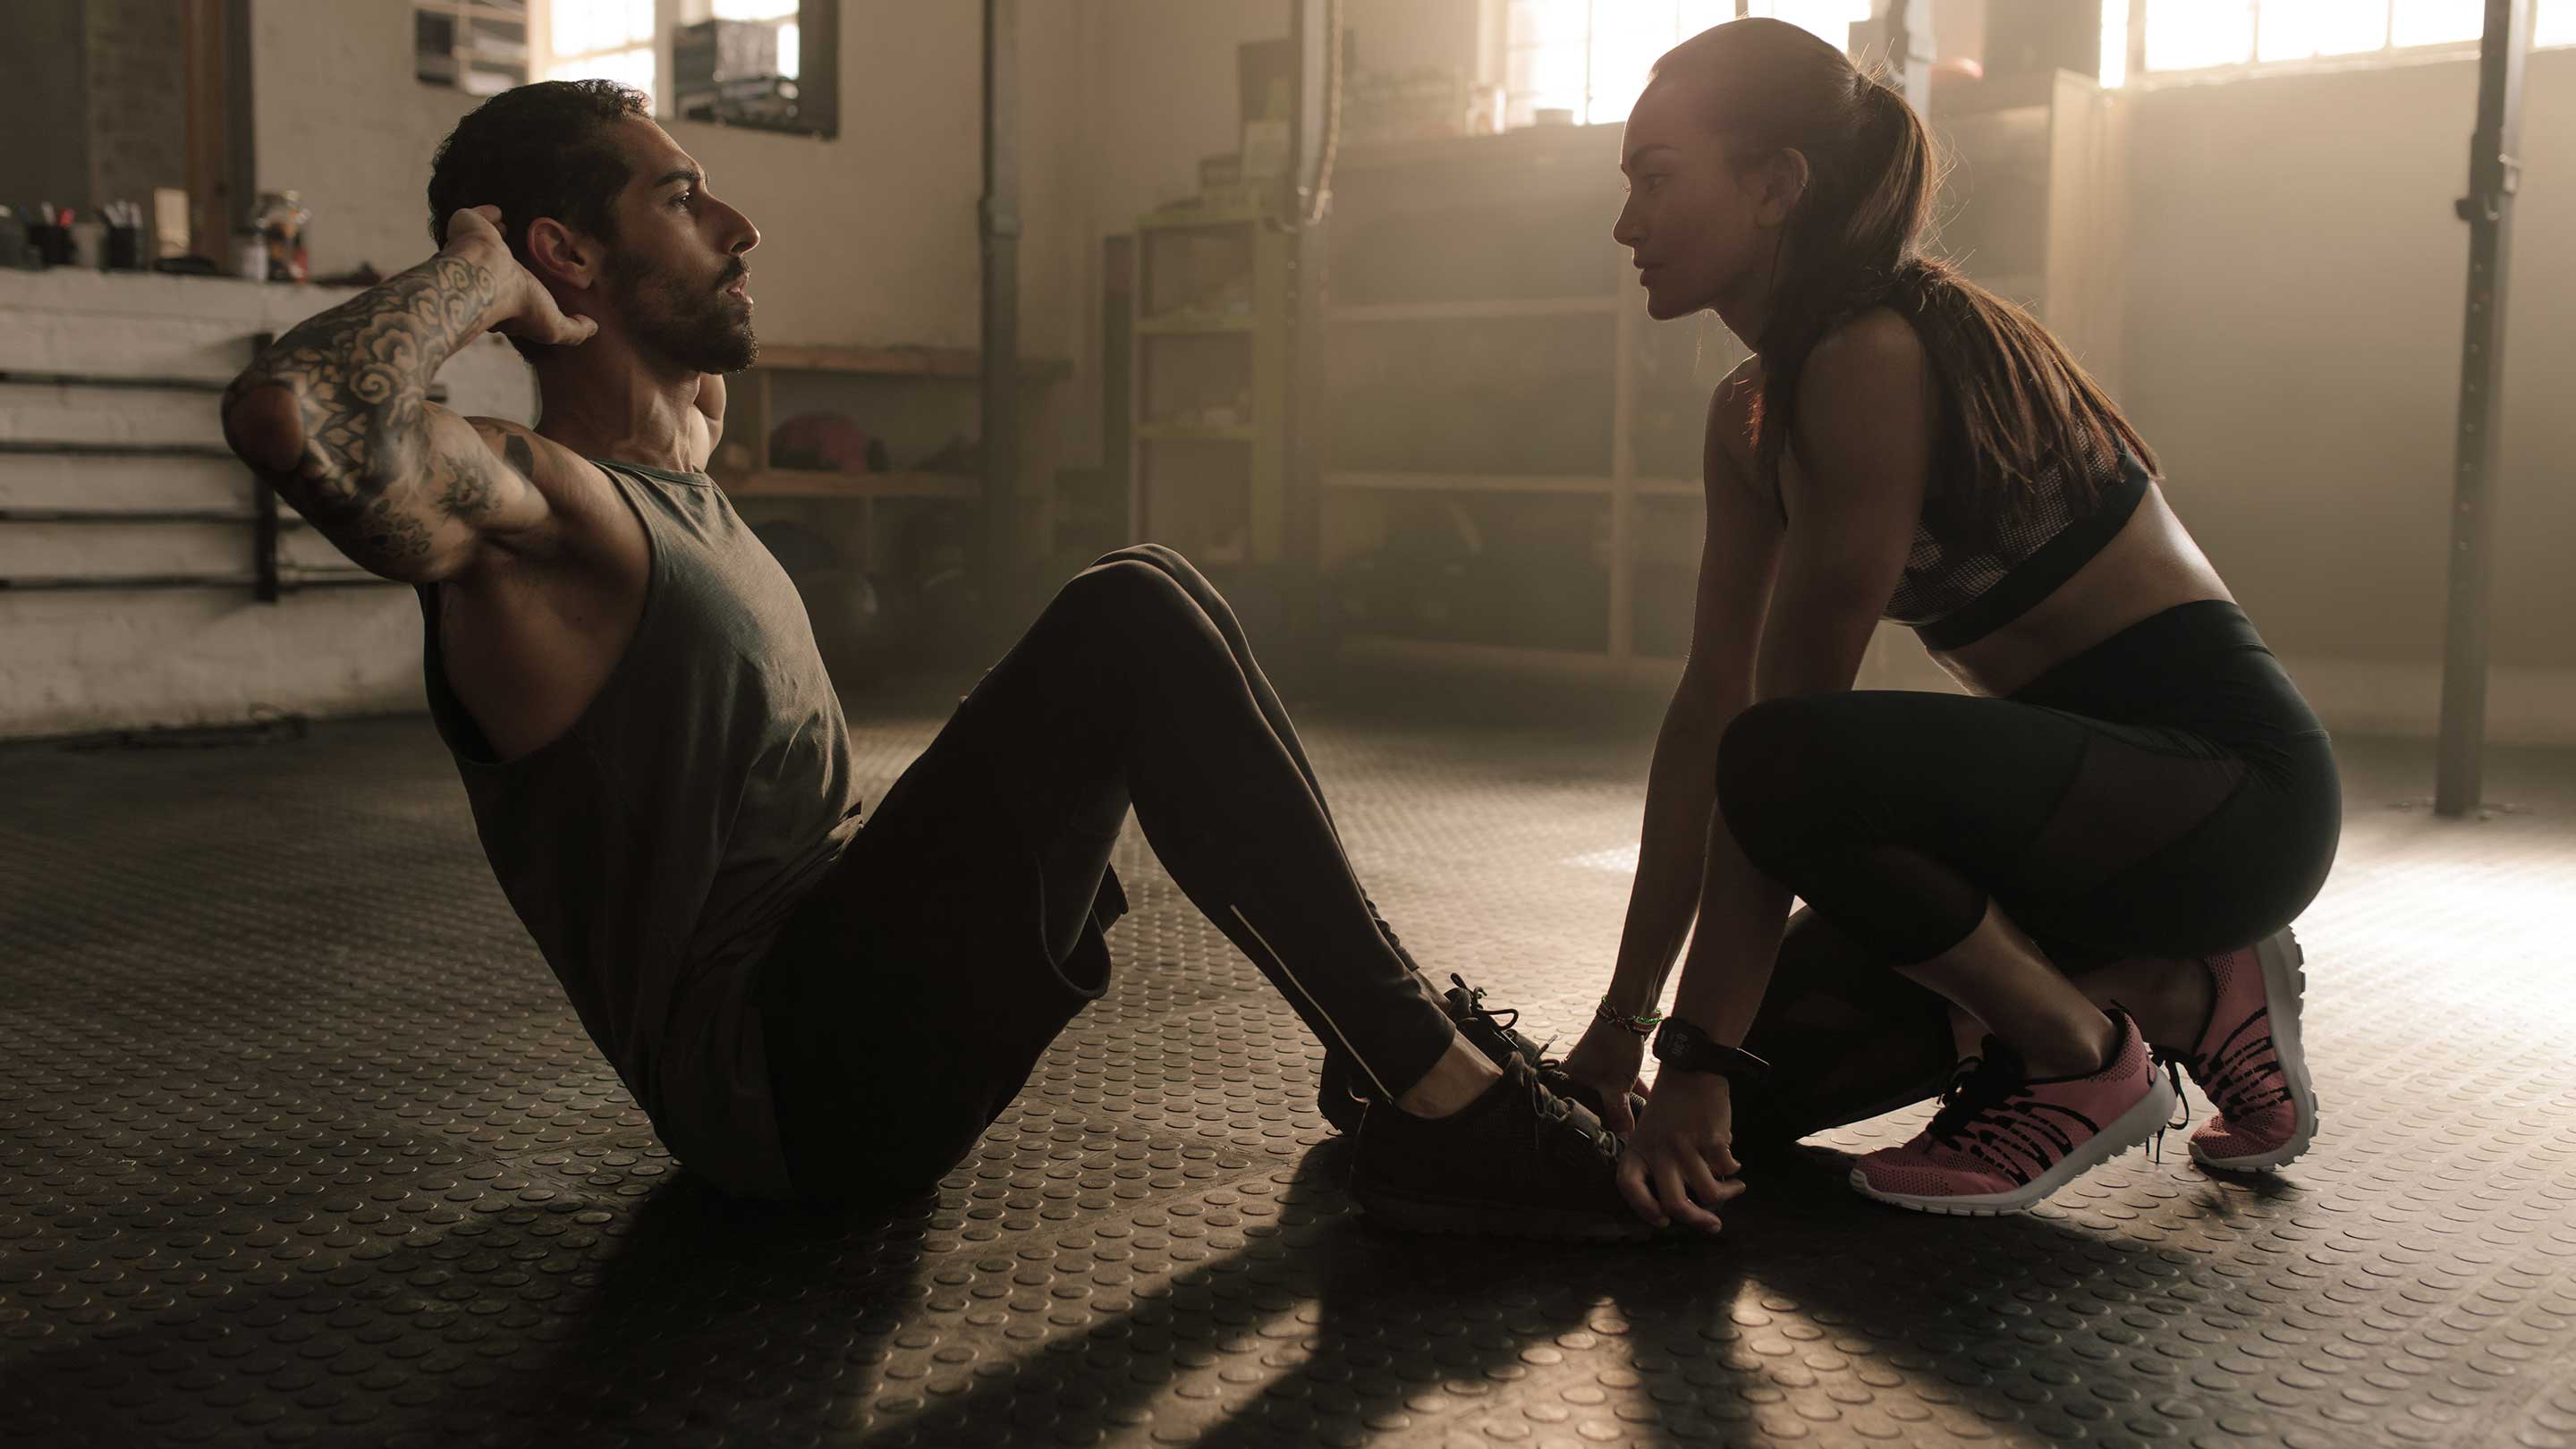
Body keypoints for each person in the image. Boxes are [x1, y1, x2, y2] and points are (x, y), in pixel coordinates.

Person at [217, 80, 1682, 1241]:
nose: (741, 222)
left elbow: (684, 398)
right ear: (567, 252)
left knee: (1150, 583)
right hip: (785, 1087)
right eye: (681, 193)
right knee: (1127, 619)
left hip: (840, 1030)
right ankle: (1440, 1102)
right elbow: (303, 420)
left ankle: (1396, 1054)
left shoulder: (671, 470)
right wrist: (477, 264)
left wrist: (628, 317)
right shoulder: (541, 520)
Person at [1553, 19, 2340, 1228]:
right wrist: (1632, 1037)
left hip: (2228, 802)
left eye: (1655, 178)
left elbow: (1779, 750)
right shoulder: (1750, 414)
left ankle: (2078, 1051)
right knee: (1756, 1097)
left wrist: (1694, 1057)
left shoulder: (1872, 357)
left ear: (1775, 187)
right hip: (2076, 839)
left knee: (1783, 779)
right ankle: (2184, 991)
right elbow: (1708, 709)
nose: (1625, 223)